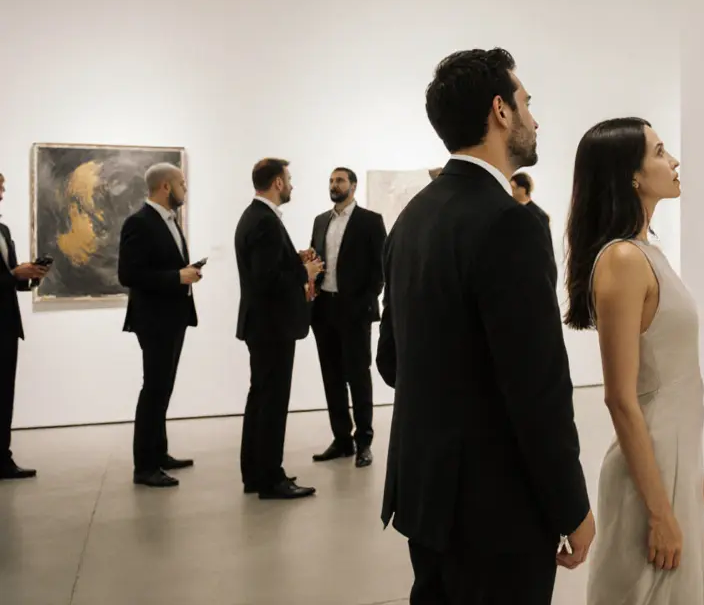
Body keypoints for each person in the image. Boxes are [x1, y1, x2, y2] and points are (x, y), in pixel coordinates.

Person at [379, 48, 594, 604]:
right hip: (494, 509)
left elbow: (390, 363)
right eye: (527, 103)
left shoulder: (412, 218)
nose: (534, 118)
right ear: (501, 111)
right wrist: (571, 506)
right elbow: (537, 389)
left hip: (426, 494)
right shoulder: (510, 224)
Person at [563, 118, 704, 604]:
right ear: (631, 175)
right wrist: (659, 510)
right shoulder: (624, 260)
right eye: (659, 151)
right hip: (648, 474)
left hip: (673, 461)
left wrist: (690, 475)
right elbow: (620, 398)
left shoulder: (648, 252)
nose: (673, 162)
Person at [234, 158, 322, 500]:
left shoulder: (253, 217)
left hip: (262, 324)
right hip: (272, 325)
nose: (292, 185)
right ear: (277, 183)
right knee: (271, 402)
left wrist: (294, 260)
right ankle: (271, 478)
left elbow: (267, 269)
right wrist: (306, 272)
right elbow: (267, 279)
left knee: (260, 398)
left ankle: (254, 474)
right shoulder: (265, 222)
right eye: (289, 179)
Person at [118, 162, 202, 488]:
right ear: (166, 186)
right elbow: (129, 274)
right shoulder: (139, 222)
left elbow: (163, 265)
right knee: (153, 389)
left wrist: (186, 272)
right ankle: (145, 466)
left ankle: (159, 452)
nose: (185, 188)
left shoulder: (169, 221)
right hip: (153, 319)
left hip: (173, 317)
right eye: (182, 183)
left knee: (163, 388)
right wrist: (177, 276)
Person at [308, 167, 386, 469]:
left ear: (353, 186)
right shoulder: (320, 221)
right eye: (330, 180)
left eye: (339, 180)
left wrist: (365, 301)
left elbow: (380, 267)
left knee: (358, 376)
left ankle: (363, 441)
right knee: (332, 377)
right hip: (324, 308)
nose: (334, 184)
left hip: (354, 311)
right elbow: (316, 260)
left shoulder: (369, 221)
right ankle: (341, 440)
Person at [0, 172, 48, 480]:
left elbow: (12, 278)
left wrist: (31, 276)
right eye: (0, 185)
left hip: (6, 324)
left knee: (5, 394)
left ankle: (3, 459)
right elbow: (9, 275)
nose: (3, 191)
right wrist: (15, 274)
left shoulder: (3, 230)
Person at [510, 172, 553, 250]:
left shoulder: (540, 216)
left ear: (522, 190)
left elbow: (547, 248)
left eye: (513, 187)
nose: (510, 191)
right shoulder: (508, 210)